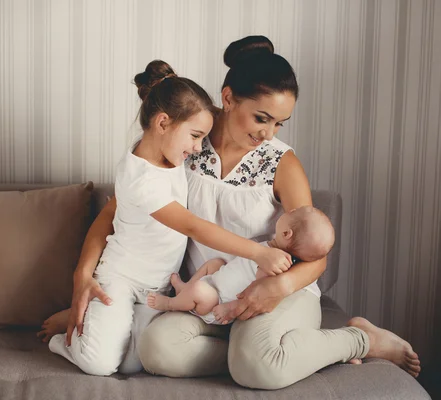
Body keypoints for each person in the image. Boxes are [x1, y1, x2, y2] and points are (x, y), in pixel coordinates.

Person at [38, 36, 421, 388]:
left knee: (257, 365)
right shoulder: (186, 142)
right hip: (207, 296)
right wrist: (81, 280)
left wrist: (279, 286)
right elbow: (115, 213)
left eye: (279, 123)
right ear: (228, 97)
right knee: (156, 349)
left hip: (273, 292)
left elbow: (316, 253)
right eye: (261, 118)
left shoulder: (281, 163)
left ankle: (359, 339)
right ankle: (268, 357)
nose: (268, 133)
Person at [46, 59, 292, 377]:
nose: (198, 147)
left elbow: (208, 117)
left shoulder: (168, 154)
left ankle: (97, 323)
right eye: (194, 136)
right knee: (100, 364)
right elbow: (192, 225)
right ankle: (63, 342)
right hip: (120, 280)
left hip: (159, 288)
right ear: (163, 123)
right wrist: (259, 252)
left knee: (137, 362)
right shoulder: (140, 178)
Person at [147, 206, 336, 326]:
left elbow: (256, 293)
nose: (288, 210)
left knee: (199, 291)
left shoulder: (276, 266)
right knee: (215, 263)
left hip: (217, 301)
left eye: (292, 213)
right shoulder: (271, 249)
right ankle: (184, 289)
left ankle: (170, 303)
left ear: (287, 233)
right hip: (216, 280)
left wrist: (230, 307)